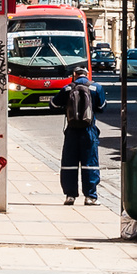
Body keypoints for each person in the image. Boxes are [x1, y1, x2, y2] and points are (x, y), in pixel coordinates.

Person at [58, 71, 100, 206]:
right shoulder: (96, 87)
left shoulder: (67, 88)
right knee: (90, 163)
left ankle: (70, 195)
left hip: (72, 131)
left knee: (69, 163)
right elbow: (102, 106)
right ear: (87, 74)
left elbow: (53, 104)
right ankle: (90, 196)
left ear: (74, 74)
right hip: (89, 130)